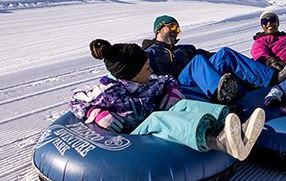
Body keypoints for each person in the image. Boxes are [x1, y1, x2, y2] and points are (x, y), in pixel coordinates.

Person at [68, 39, 265, 161]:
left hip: (149, 123)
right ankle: (220, 142)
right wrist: (98, 113)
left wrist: (172, 93)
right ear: (132, 74)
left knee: (182, 104)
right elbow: (76, 100)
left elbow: (168, 79)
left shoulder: (150, 81)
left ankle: (232, 126)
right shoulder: (108, 92)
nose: (151, 70)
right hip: (133, 136)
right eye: (147, 68)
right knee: (158, 118)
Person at [142, 15, 286, 107]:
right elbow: (147, 76)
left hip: (199, 76)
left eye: (178, 29)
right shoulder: (150, 53)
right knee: (198, 60)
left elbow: (214, 56)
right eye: (172, 27)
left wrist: (258, 62)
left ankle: (272, 78)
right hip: (178, 82)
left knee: (224, 52)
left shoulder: (185, 49)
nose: (175, 31)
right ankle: (221, 94)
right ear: (159, 30)